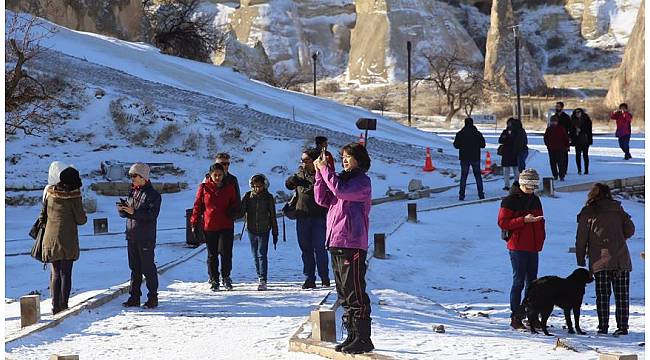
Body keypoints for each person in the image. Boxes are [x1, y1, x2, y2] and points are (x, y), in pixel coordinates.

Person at [314, 142, 373, 354]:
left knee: (355, 291)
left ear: (359, 159)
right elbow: (322, 199)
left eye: (349, 156)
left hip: (353, 242)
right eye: (343, 157)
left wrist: (325, 171)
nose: (344, 160)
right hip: (336, 241)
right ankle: (352, 335)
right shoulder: (341, 179)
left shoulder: (361, 182)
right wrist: (320, 175)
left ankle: (363, 337)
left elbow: (340, 191)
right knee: (344, 293)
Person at [576, 183, 635, 336]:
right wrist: (620, 237)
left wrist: (580, 257)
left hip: (600, 260)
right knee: (622, 295)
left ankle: (603, 326)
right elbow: (630, 229)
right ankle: (623, 327)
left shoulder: (588, 212)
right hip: (621, 258)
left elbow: (581, 238)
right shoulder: (617, 209)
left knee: (602, 295)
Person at [497, 169, 546, 330]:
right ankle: (516, 316)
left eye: (534, 186)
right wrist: (523, 220)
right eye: (529, 186)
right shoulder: (509, 201)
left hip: (533, 247)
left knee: (533, 284)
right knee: (518, 282)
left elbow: (540, 223)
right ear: (523, 184)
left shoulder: (536, 200)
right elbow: (503, 223)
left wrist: (541, 239)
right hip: (517, 246)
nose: (532, 190)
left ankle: (531, 315)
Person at [42, 166, 87, 315]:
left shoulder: (50, 193)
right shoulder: (74, 197)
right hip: (67, 239)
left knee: (55, 272)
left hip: (50, 238)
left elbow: (44, 216)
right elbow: (81, 220)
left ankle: (55, 306)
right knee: (66, 272)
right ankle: (64, 305)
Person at [119, 163, 162, 308]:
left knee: (148, 268)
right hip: (132, 235)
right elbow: (130, 213)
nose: (132, 179)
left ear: (143, 177)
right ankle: (134, 297)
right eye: (131, 176)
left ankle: (153, 297)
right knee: (134, 268)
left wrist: (133, 213)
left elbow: (151, 215)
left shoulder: (153, 195)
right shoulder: (132, 191)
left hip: (145, 237)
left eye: (134, 176)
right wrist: (123, 210)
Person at [285, 148, 330, 289]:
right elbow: (289, 185)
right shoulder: (300, 173)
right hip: (302, 216)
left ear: (315, 160)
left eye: (306, 160)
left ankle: (324, 277)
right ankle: (309, 277)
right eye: (302, 160)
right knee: (305, 249)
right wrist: (291, 181)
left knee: (320, 249)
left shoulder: (322, 173)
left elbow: (318, 188)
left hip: (319, 217)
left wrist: (305, 183)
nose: (303, 163)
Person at [191, 163, 239, 291]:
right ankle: (214, 279)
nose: (217, 177)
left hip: (226, 225)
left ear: (224, 175)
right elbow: (197, 206)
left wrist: (233, 211)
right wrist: (194, 222)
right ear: (210, 175)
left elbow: (235, 203)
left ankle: (226, 276)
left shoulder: (229, 188)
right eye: (215, 175)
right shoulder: (204, 187)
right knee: (212, 254)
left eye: (220, 175)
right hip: (210, 225)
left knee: (226, 253)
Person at [239, 174, 279, 291]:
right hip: (251, 229)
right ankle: (259, 275)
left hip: (264, 229)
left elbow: (273, 216)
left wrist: (275, 232)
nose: (257, 189)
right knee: (255, 255)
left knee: (262, 254)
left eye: (260, 186)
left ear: (264, 185)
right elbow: (241, 211)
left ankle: (263, 279)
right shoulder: (248, 196)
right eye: (255, 186)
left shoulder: (268, 197)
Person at [453, 117, 486, 200]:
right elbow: (483, 145)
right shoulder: (477, 133)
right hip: (475, 157)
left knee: (463, 177)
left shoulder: (460, 133)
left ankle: (462, 195)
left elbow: (456, 145)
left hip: (464, 157)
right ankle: (481, 194)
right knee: (478, 176)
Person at [498, 118, 524, 190]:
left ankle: (517, 183)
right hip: (506, 153)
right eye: (508, 123)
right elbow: (500, 140)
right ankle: (507, 185)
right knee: (506, 170)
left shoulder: (517, 132)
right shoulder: (505, 131)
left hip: (513, 152)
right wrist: (504, 138)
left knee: (516, 169)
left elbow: (517, 142)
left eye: (510, 123)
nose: (509, 125)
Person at [544, 115, 570, 181]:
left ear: (557, 122)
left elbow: (565, 138)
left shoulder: (561, 128)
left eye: (554, 121)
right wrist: (548, 145)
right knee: (553, 163)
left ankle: (561, 176)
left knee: (560, 163)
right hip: (552, 148)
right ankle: (555, 175)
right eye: (552, 121)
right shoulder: (549, 129)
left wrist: (567, 145)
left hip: (560, 148)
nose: (553, 123)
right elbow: (545, 138)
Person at [570, 108, 593, 175]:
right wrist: (574, 132)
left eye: (579, 112)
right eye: (576, 113)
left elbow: (589, 130)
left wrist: (581, 130)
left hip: (585, 140)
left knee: (585, 155)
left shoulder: (586, 120)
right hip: (577, 140)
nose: (577, 114)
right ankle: (579, 170)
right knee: (578, 155)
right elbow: (571, 130)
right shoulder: (572, 120)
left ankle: (586, 170)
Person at [554, 102, 571, 175]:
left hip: (564, 137)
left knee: (564, 154)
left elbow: (570, 127)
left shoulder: (566, 117)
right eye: (556, 106)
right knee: (557, 155)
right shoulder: (554, 117)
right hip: (556, 138)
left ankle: (564, 170)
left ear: (561, 107)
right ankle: (559, 169)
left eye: (558, 106)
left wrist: (569, 137)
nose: (557, 108)